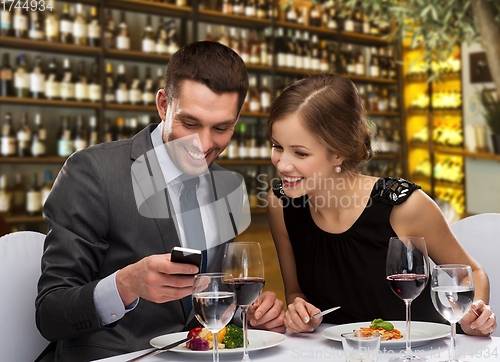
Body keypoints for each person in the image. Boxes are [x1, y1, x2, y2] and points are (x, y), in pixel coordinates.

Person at [35, 41, 285, 362]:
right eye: (190, 123)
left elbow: (207, 303)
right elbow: (50, 314)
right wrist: (125, 285)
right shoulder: (94, 171)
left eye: (222, 128)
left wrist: (248, 315)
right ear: (164, 105)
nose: (204, 144)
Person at [266, 73, 496, 336]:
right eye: (276, 146)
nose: (282, 164)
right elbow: (297, 292)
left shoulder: (403, 207)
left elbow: (472, 272)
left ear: (338, 152)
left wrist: (473, 315)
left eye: (300, 153)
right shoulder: (281, 204)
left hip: (421, 350)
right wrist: (298, 310)